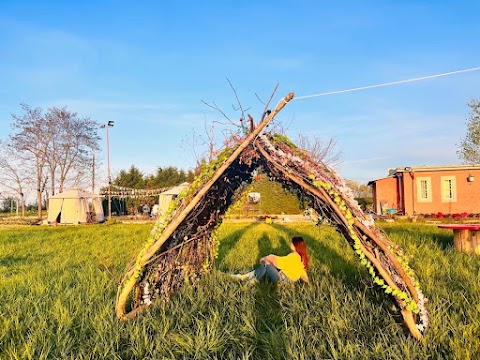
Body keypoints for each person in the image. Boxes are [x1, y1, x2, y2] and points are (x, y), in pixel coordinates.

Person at [232, 236, 309, 283]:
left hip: (282, 281)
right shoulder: (301, 258)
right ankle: (244, 276)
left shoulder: (293, 256)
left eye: (291, 243)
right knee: (264, 267)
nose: (290, 244)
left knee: (266, 263)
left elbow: (279, 262)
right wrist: (308, 283)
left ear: (295, 245)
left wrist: (266, 258)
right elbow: (303, 273)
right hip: (285, 281)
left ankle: (254, 280)